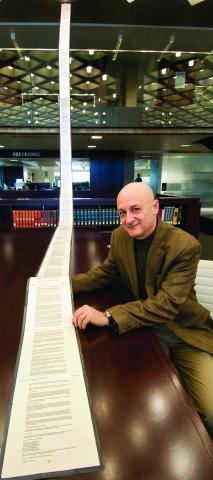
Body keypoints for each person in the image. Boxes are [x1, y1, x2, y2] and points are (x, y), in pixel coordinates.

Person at [72, 183, 213, 433]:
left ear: (155, 208)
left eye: (135, 209)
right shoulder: (119, 237)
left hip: (182, 333)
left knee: (210, 413)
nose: (128, 219)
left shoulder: (185, 246)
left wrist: (108, 316)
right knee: (133, 403)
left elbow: (166, 305)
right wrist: (63, 285)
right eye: (122, 212)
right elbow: (106, 272)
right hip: (144, 331)